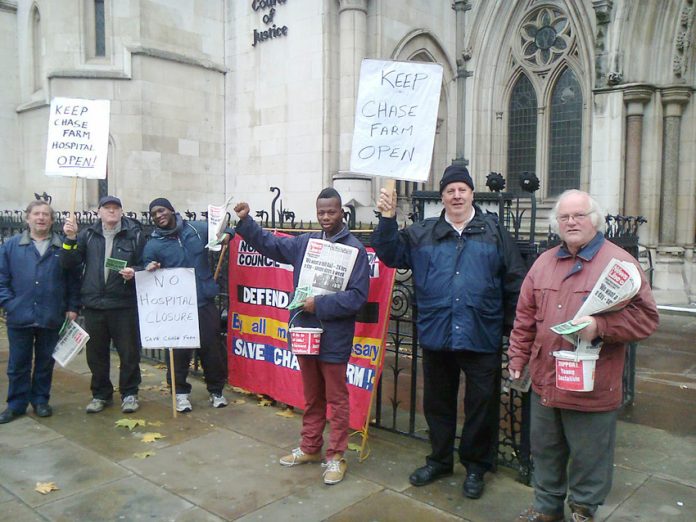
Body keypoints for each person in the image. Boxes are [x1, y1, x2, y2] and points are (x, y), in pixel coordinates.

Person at [371, 165, 526, 499]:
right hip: (438, 333)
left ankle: (475, 466)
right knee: (438, 405)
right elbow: (388, 253)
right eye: (450, 190)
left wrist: (514, 332)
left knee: (480, 406)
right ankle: (440, 459)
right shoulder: (422, 233)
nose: (457, 195)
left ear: (472, 194)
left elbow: (515, 281)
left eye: (462, 190)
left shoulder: (494, 231)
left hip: (481, 333)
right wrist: (386, 218)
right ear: (442, 196)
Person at [508, 190, 659, 522]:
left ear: (595, 220)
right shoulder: (543, 263)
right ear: (556, 224)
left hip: (593, 385)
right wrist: (517, 358)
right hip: (546, 380)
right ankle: (547, 510)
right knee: (545, 451)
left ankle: (583, 511)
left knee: (590, 456)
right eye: (565, 217)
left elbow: (647, 319)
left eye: (579, 215)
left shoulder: (620, 263)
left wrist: (601, 325)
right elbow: (524, 319)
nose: (572, 222)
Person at [233, 188, 369, 485]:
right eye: (320, 212)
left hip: (334, 335)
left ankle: (336, 457)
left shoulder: (355, 249)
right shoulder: (305, 243)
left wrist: (319, 304)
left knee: (337, 398)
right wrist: (246, 223)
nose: (325, 217)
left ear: (342, 212)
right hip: (306, 330)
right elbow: (271, 245)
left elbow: (358, 297)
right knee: (311, 396)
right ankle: (310, 447)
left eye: (331, 212)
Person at [143, 197, 229, 413]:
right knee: (179, 353)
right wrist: (149, 266)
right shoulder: (153, 243)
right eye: (154, 214)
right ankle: (180, 394)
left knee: (212, 349)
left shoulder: (196, 229)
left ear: (172, 210)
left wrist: (228, 235)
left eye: (161, 210)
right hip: (177, 307)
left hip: (203, 301)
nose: (158, 216)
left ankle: (216, 391)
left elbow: (224, 229)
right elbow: (145, 266)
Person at [61, 195, 146, 414]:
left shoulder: (134, 234)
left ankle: (129, 393)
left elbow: (145, 264)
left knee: (129, 353)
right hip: (94, 305)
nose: (111, 211)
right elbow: (69, 263)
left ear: (121, 212)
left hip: (123, 304)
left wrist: (134, 272)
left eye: (115, 208)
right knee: (96, 355)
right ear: (98, 212)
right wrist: (69, 239)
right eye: (107, 208)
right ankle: (101, 394)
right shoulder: (87, 235)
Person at [0, 200, 80, 423]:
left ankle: (40, 400)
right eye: (36, 214)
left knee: (45, 362)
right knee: (18, 364)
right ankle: (16, 404)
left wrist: (73, 307)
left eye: (46, 214)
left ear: (52, 220)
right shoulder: (11, 245)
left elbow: (73, 279)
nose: (41, 218)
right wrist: (9, 303)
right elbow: (1, 279)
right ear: (27, 218)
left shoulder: (61, 247)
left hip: (51, 314)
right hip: (20, 315)